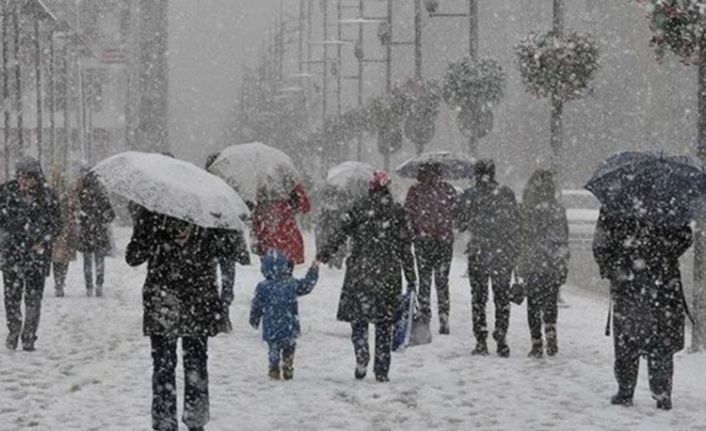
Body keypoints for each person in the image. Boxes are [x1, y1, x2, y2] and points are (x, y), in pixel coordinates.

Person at [126, 208, 232, 431]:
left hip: (182, 300)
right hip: (179, 301)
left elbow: (226, 253)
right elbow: (133, 257)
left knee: (182, 364)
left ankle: (181, 421)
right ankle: (182, 421)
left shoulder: (158, 211)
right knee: (181, 364)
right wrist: (156, 236)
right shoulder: (204, 212)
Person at [317, 170, 417, 382]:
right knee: (384, 323)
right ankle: (382, 369)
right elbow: (405, 247)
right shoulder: (397, 212)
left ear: (371, 188)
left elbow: (341, 233)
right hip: (388, 272)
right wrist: (411, 276)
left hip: (360, 270)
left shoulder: (359, 207)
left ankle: (361, 353)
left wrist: (324, 254)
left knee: (359, 317)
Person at [593, 207, 692, 410]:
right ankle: (662, 392)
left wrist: (613, 267)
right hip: (662, 282)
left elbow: (601, 244)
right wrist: (663, 252)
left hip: (627, 281)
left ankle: (626, 390)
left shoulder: (615, 204)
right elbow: (685, 237)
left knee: (626, 339)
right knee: (661, 338)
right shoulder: (668, 203)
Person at [454, 159, 521, 357]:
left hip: (479, 252)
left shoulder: (470, 195)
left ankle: (481, 339)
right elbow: (517, 222)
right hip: (502, 252)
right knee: (502, 297)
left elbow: (460, 222)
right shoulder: (506, 193)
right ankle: (501, 336)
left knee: (478, 298)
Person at [0, 157, 61, 351]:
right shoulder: (6, 193)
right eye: (20, 176)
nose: (23, 181)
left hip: (37, 255)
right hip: (12, 253)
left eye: (27, 177)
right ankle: (14, 330)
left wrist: (43, 239)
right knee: (11, 296)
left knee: (33, 298)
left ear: (36, 178)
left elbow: (56, 224)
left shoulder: (47, 196)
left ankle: (29, 335)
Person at [516, 170, 569, 358]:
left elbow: (521, 237)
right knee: (550, 301)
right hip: (552, 262)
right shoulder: (558, 209)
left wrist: (520, 262)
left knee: (533, 303)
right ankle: (551, 331)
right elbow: (563, 238)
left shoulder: (527, 209)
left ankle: (536, 342)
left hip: (533, 262)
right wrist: (563, 262)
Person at [249, 249, 319, 380]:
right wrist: (313, 270)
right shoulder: (291, 283)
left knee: (273, 347)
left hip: (271, 325)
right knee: (290, 345)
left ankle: (273, 366)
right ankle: (288, 363)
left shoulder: (263, 287)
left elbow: (256, 305)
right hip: (289, 323)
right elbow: (306, 286)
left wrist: (254, 319)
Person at [404, 162, 457, 334]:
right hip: (444, 241)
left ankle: (425, 314)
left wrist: (414, 234)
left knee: (424, 279)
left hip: (424, 240)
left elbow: (408, 214)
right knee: (442, 280)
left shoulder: (415, 190)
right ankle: (444, 314)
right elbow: (457, 213)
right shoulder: (448, 189)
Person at [251, 181, 311, 268]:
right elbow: (306, 208)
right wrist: (298, 188)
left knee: (271, 272)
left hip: (270, 241)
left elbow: (256, 220)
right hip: (288, 240)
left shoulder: (265, 190)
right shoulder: (291, 190)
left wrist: (256, 238)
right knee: (286, 272)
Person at [77, 169, 115, 297]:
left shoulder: (82, 194)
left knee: (87, 261)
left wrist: (83, 219)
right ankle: (99, 285)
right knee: (99, 260)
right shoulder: (102, 195)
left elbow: (79, 214)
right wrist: (103, 218)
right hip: (99, 232)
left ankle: (89, 286)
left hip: (87, 232)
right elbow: (111, 215)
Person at [49, 167, 78, 298]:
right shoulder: (52, 193)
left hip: (63, 229)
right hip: (60, 229)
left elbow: (74, 208)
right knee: (60, 258)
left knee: (60, 258)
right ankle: (59, 283)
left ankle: (59, 283)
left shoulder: (62, 193)